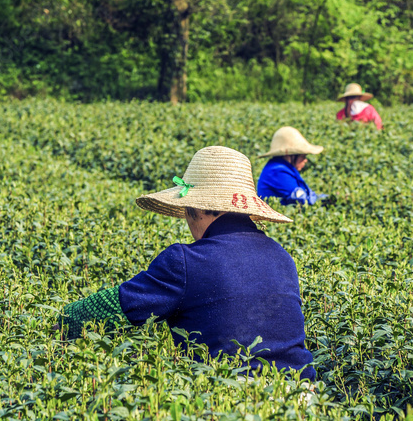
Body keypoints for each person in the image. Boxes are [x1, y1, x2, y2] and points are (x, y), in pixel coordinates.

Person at [56, 146, 316, 381]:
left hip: (235, 400)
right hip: (304, 396)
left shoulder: (186, 261)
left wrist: (60, 321)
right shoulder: (282, 256)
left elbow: (117, 307)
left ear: (199, 209)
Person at [257, 127, 326, 206]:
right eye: (303, 156)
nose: (305, 160)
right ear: (292, 156)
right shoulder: (277, 171)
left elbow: (308, 194)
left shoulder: (284, 167)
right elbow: (302, 199)